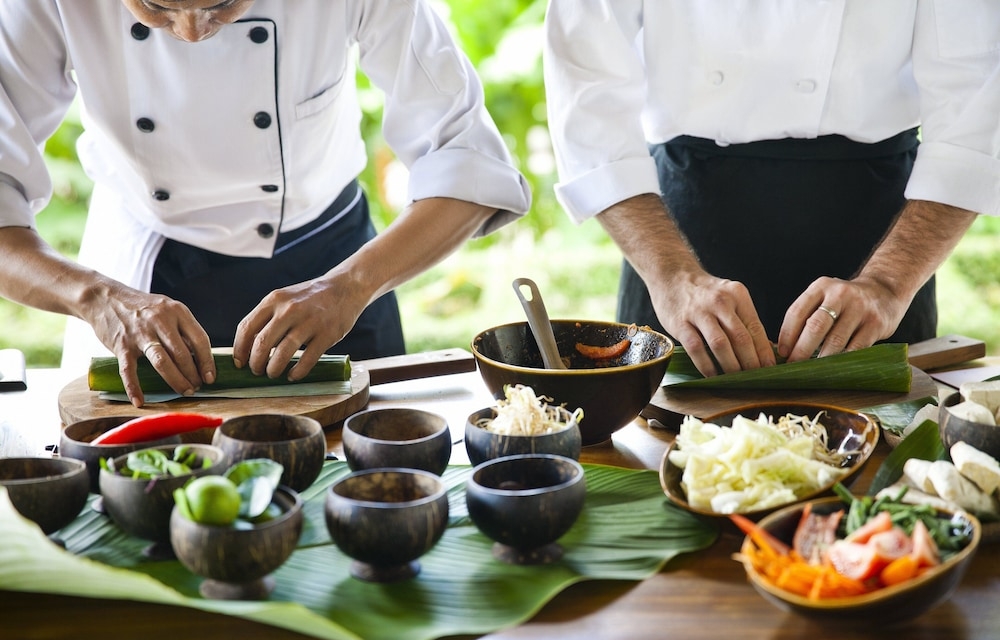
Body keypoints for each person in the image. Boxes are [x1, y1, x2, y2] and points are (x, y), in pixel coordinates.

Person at [0, 0, 530, 407]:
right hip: (145, 279)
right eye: (156, 9)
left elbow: (467, 161)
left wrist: (351, 286)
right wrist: (95, 296)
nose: (191, 32)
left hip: (336, 261)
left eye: (222, 5)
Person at [543, 1, 1000, 379]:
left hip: (881, 237)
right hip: (680, 233)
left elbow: (975, 106)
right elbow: (589, 94)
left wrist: (886, 283)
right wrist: (672, 278)